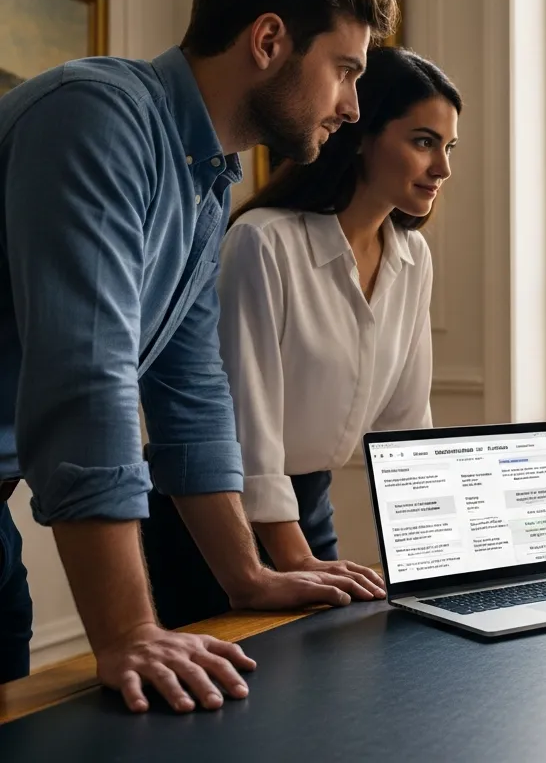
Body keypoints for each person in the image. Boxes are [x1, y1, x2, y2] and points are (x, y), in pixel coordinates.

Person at [0, 0, 398, 713]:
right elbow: (87, 380)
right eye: (344, 71)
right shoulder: (97, 119)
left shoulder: (206, 180)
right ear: (269, 40)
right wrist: (127, 632)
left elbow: (190, 390)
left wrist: (246, 574)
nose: (351, 107)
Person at [141, 46, 460, 627]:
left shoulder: (413, 256)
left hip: (306, 508)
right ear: (361, 135)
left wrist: (437, 568)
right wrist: (291, 559)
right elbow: (247, 421)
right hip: (214, 520)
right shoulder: (263, 242)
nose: (442, 167)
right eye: (423, 141)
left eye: (448, 147)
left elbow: (405, 425)